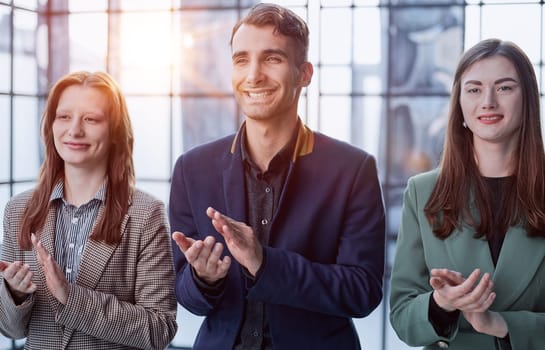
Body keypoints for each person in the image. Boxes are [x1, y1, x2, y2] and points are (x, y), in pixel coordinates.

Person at [169, 3, 386, 349]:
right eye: (242, 59)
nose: (253, 75)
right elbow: (187, 296)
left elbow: (362, 292)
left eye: (272, 59)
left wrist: (265, 263)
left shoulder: (353, 169)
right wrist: (203, 279)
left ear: (304, 74)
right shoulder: (192, 169)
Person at [0, 71, 178, 349]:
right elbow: (11, 330)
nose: (74, 131)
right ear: (51, 125)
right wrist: (15, 294)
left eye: (91, 119)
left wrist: (71, 297)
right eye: (64, 117)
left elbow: (159, 330)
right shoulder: (17, 210)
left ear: (115, 132)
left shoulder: (147, 214)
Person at [389, 38, 545, 350]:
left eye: (504, 88)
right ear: (459, 103)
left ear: (526, 99)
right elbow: (402, 315)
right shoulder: (422, 192)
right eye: (474, 89)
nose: (488, 101)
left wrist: (501, 324)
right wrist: (440, 304)